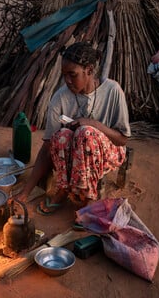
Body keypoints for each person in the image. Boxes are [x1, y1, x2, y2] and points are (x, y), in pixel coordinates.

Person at [16, 41, 131, 215]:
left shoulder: (112, 91)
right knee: (62, 135)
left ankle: (89, 199)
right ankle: (63, 190)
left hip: (109, 153)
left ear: (90, 70)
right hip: (75, 156)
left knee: (85, 132)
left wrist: (94, 124)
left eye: (73, 74)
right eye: (64, 75)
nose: (67, 81)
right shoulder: (60, 97)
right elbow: (48, 147)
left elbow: (122, 139)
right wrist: (25, 193)